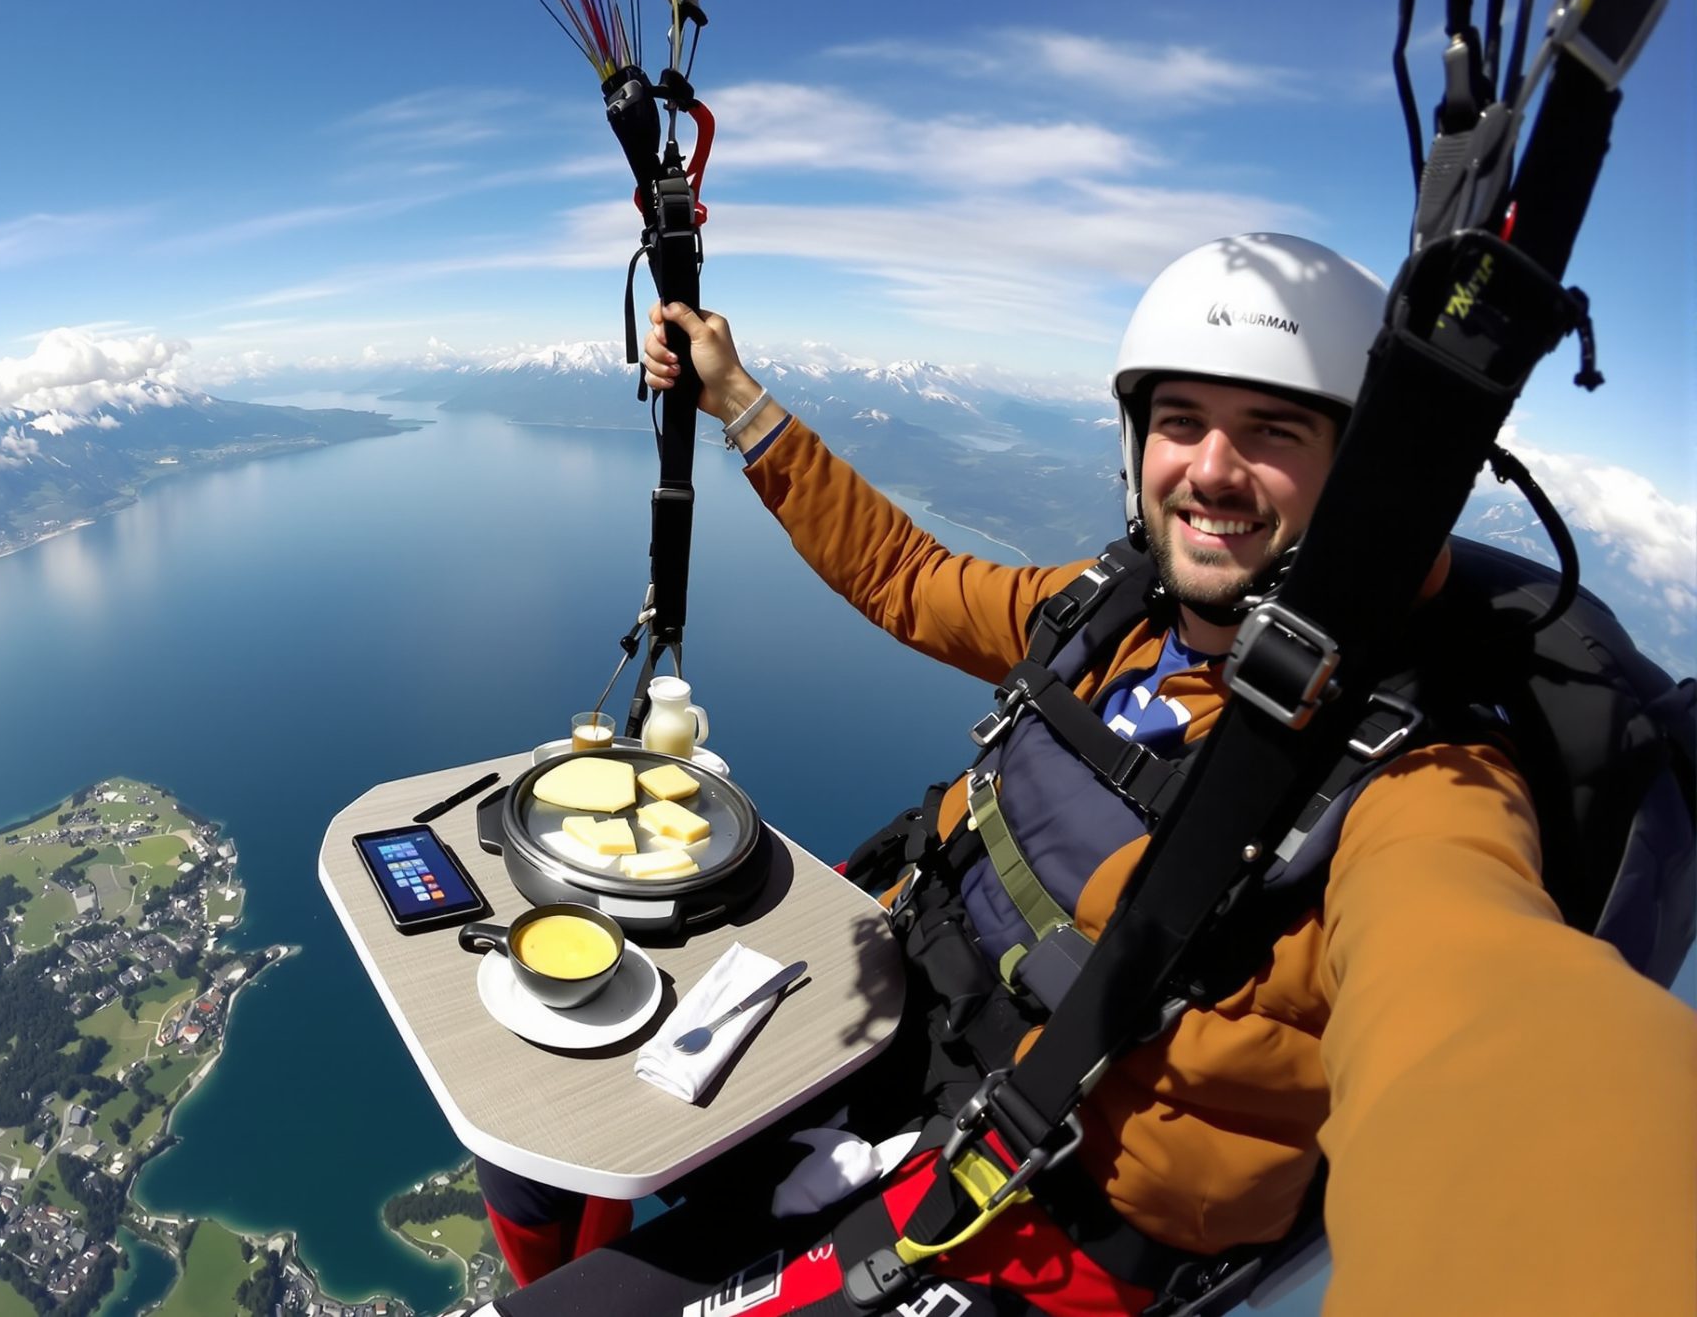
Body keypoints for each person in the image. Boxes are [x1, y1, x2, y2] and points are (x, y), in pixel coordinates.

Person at [472, 234, 1697, 1315]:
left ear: (1362, 476)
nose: (1212, 470)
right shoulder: (1104, 615)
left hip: (1042, 1228)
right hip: (895, 1041)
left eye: (1272, 432)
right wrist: (738, 398)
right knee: (530, 1130)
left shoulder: (1419, 786)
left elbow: (1489, 1019)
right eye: (1182, 422)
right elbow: (905, 577)